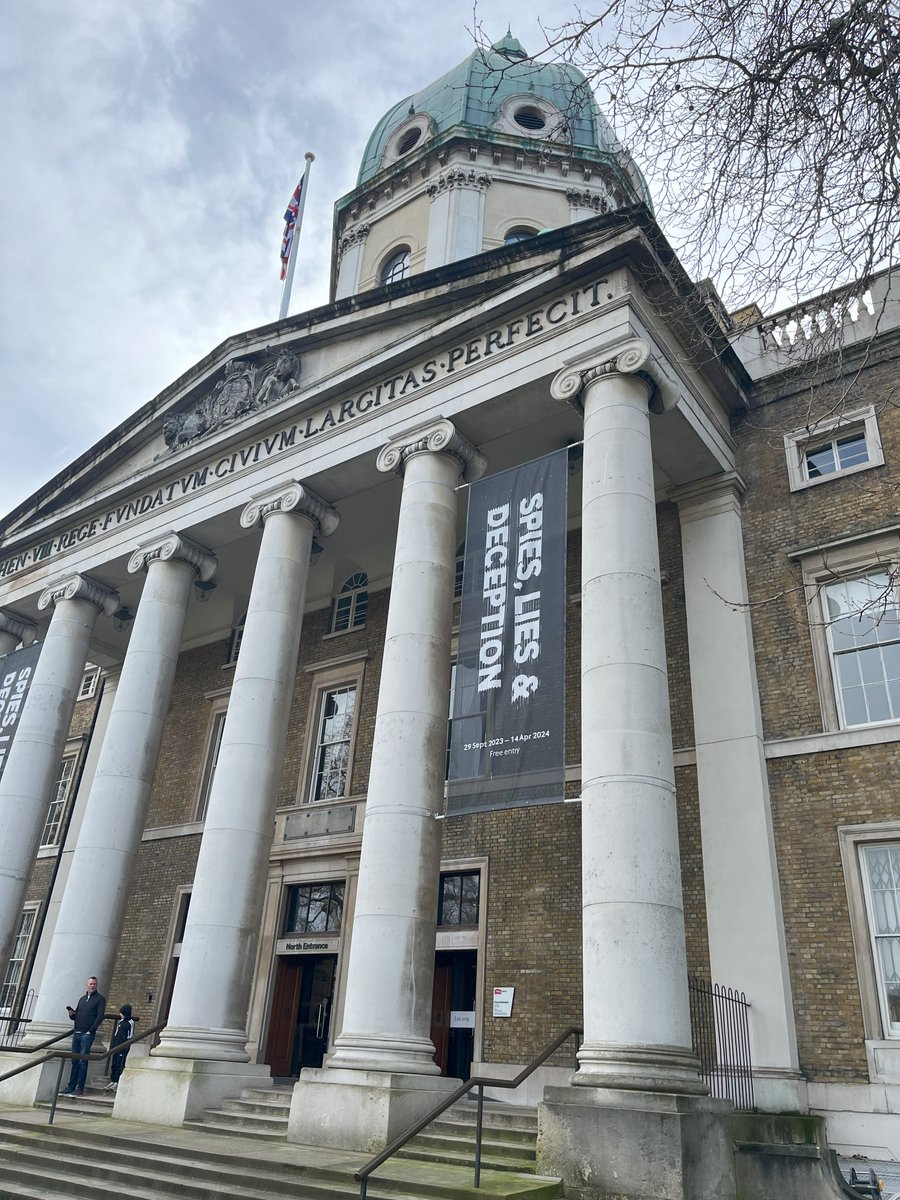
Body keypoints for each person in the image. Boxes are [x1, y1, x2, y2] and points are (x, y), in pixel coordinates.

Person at [59, 976, 105, 1096]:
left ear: (96, 985)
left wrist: (91, 1030)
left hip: (87, 1033)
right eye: (90, 984)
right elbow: (77, 1015)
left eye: (94, 984)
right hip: (77, 1032)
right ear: (87, 985)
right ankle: (71, 1086)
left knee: (83, 1061)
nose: (92, 986)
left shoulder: (100, 999)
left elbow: (100, 1015)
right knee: (74, 1060)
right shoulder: (82, 999)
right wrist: (71, 1014)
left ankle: (80, 1087)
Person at [105, 1004, 134, 1091]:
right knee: (114, 1063)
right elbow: (116, 1034)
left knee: (119, 1064)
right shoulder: (120, 1022)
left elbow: (130, 1035)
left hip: (123, 1046)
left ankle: (117, 1081)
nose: (120, 1014)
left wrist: (126, 1047)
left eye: (122, 1013)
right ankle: (112, 1080)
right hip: (116, 1046)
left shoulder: (130, 1022)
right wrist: (113, 1045)